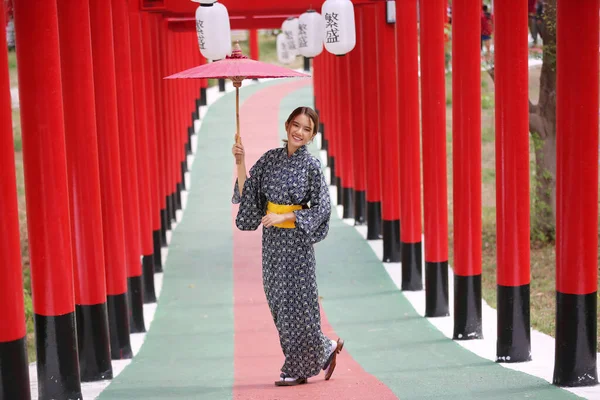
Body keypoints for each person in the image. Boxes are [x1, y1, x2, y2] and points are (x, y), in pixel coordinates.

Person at [231, 106, 344, 387]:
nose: (300, 132)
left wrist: (286, 215)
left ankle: (298, 366)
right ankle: (324, 347)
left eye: (307, 129)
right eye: (296, 125)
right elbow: (249, 195)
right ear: (287, 125)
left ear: (313, 134)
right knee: (279, 302)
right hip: (272, 244)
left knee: (300, 304)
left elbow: (322, 206)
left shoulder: (311, 166)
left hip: (296, 243)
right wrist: (240, 161)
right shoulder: (270, 160)